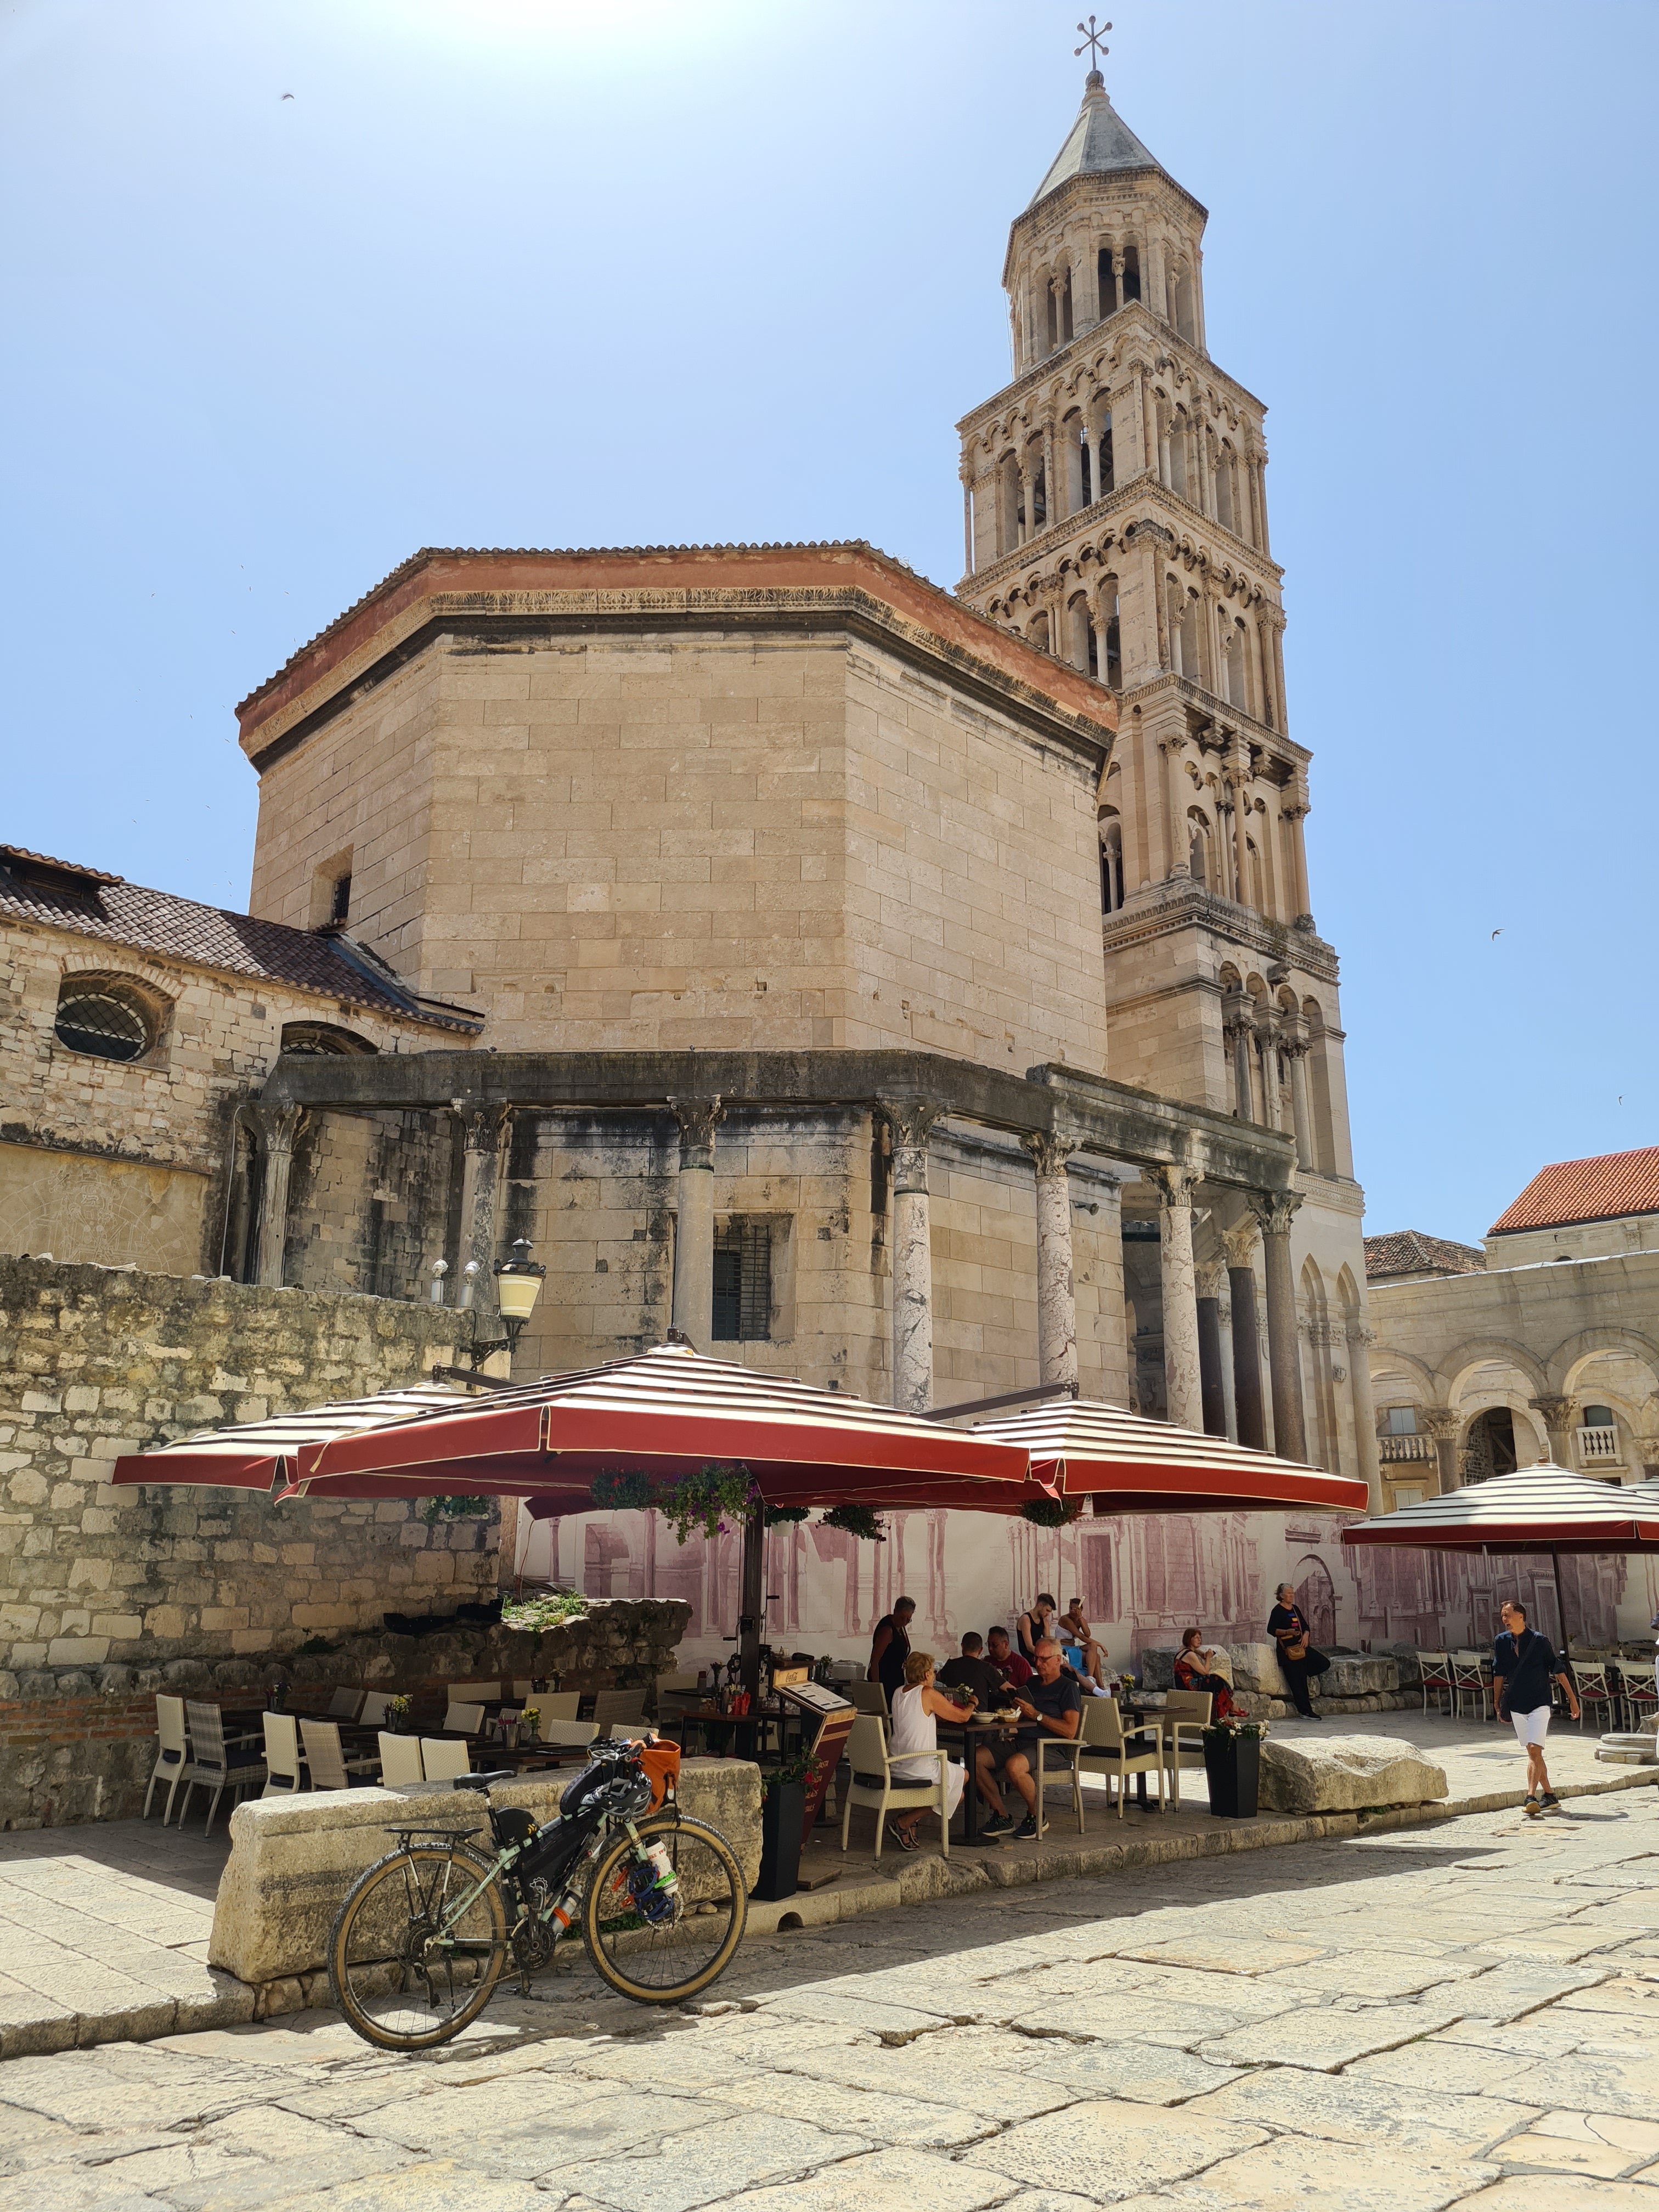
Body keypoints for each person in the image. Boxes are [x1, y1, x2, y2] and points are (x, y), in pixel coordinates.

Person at [981, 1637, 1082, 1839]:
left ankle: (1036, 1816)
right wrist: (1014, 1712)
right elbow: (1023, 1716)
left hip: (1052, 1748)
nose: (1038, 1663)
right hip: (1022, 1742)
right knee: (976, 1758)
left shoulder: (1068, 1687)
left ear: (1058, 1660)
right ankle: (1002, 1815)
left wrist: (1036, 1715)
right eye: (1036, 1658)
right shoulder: (1032, 1683)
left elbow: (1070, 1731)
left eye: (1044, 1659)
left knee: (1014, 1765)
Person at [1492, 1597, 1580, 1816]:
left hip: (1540, 1702)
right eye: (1502, 1616)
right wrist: (1496, 1701)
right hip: (1516, 1704)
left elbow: (1558, 1670)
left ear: (1520, 1616)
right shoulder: (1501, 1641)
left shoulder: (1539, 1641)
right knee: (1535, 1754)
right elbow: (1499, 1672)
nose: (1505, 1619)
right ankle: (1549, 1795)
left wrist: (1573, 1699)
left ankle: (1530, 1797)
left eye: (1508, 1615)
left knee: (1534, 1749)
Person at [885, 1651, 970, 1851]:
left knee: (955, 1789)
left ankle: (911, 1822)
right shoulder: (927, 1693)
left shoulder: (898, 1692)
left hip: (896, 1764)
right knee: (962, 1785)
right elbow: (962, 1717)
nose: (933, 1676)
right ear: (926, 1675)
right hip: (919, 1767)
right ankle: (906, 1821)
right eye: (933, 1672)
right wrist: (973, 1703)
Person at [1267, 1582, 1329, 1719]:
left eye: (1292, 1593)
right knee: (1298, 1684)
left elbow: (1305, 1626)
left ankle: (1305, 1672)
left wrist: (1306, 1635)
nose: (1292, 1595)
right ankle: (1305, 1711)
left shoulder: (1295, 1609)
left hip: (1301, 1648)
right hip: (1288, 1651)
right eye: (1289, 1593)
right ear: (1282, 1596)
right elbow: (1271, 1629)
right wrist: (1286, 1632)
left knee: (1324, 1663)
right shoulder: (1277, 1611)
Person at [1173, 1627, 1238, 1719]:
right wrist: (1208, 1657)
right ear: (1189, 1639)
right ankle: (1231, 1709)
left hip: (1182, 1684)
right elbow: (1204, 1672)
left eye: (1200, 1638)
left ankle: (1228, 1713)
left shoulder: (1182, 1650)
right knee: (1216, 1680)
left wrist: (1200, 1652)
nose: (1200, 1640)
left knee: (1215, 1687)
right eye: (1196, 1638)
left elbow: (1191, 1649)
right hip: (1189, 1685)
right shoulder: (1190, 1655)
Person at [867, 1595, 915, 1708]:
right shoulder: (887, 1630)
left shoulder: (900, 1627)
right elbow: (874, 1661)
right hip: (885, 1681)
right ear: (895, 1612)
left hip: (895, 1679)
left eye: (908, 1619)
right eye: (902, 1618)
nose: (905, 1622)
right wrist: (877, 1688)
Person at [1058, 1598, 1109, 1691]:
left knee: (1095, 1654)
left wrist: (1081, 1618)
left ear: (1081, 1610)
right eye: (1071, 1608)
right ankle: (1091, 1680)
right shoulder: (1065, 1619)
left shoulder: (1080, 1619)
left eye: (1076, 1609)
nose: (1072, 1611)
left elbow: (1087, 1634)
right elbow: (1081, 1636)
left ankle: (1100, 1686)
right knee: (1094, 1649)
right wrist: (1100, 1644)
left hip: (1072, 1648)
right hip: (1063, 1649)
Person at [985, 1624, 1032, 1691]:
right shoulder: (986, 1662)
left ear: (1006, 1645)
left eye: (994, 1645)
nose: (990, 1648)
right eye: (989, 1644)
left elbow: (1028, 1691)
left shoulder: (1021, 1664)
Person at [1016, 1593, 1059, 1664]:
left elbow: (1048, 1641)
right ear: (1040, 1605)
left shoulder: (1044, 1620)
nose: (1048, 1614)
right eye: (1047, 1610)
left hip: (1041, 1655)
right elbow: (1029, 1647)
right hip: (1029, 1657)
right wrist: (1045, 1656)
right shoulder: (1026, 1619)